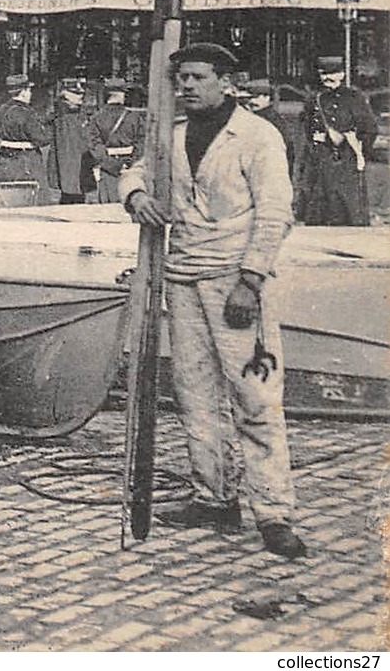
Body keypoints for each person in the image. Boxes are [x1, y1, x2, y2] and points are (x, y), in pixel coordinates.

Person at [119, 42, 306, 560]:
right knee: (195, 395)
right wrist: (137, 197)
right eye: (182, 78)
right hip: (181, 277)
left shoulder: (257, 136)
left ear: (227, 82)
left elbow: (276, 211)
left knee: (256, 399)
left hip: (235, 281)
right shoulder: (171, 136)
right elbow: (134, 171)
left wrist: (251, 279)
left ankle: (274, 514)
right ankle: (215, 498)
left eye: (199, 77)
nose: (187, 86)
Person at [295, 56, 375, 227]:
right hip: (321, 158)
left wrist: (358, 151)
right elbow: (308, 128)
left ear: (342, 74)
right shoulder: (314, 99)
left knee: (346, 209)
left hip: (344, 159)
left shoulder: (353, 97)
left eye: (332, 73)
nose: (327, 78)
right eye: (323, 74)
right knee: (318, 208)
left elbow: (369, 129)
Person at [87, 79, 142, 203]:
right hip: (130, 169)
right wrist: (131, 162)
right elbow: (141, 142)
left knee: (108, 209)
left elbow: (94, 145)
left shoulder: (97, 117)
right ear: (122, 94)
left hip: (108, 170)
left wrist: (111, 165)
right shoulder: (134, 117)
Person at [0, 74, 51, 186]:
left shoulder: (0, 110)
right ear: (23, 92)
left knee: (5, 191)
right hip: (26, 159)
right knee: (35, 193)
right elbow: (41, 139)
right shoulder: (26, 113)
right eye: (29, 90)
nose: (30, 94)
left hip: (5, 157)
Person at [46, 82, 92, 204]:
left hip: (70, 166)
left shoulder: (63, 117)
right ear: (68, 97)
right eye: (77, 94)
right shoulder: (67, 118)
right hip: (73, 163)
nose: (81, 98)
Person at [244, 79, 297, 176]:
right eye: (249, 98)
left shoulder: (272, 121)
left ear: (267, 97)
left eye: (255, 97)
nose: (251, 101)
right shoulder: (253, 117)